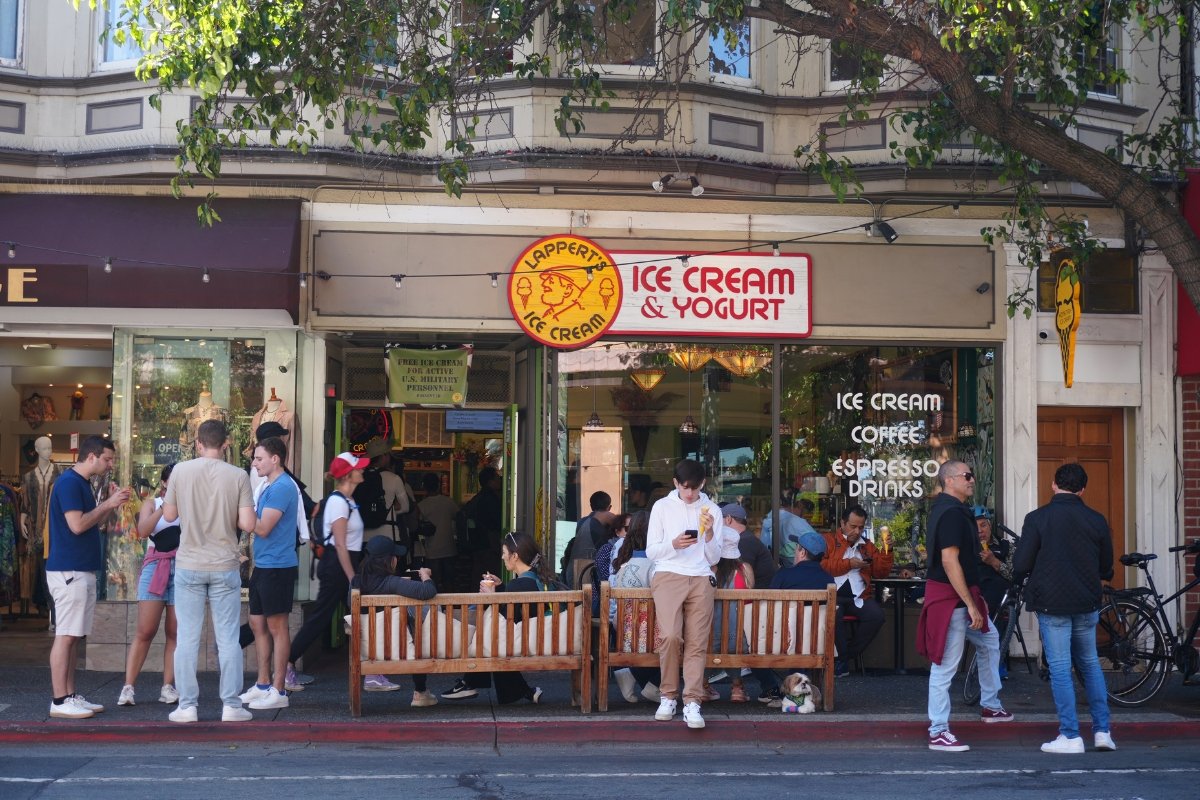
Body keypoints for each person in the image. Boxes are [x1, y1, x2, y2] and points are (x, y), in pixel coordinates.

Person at [1013, 463, 1116, 754]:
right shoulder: (1096, 519)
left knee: (1060, 669)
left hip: (1052, 602)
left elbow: (1021, 564)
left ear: (1054, 485)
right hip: (1086, 601)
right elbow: (1106, 565)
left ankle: (1070, 735)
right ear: (1083, 489)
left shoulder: (1037, 518)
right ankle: (1102, 731)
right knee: (1091, 664)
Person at [163, 419, 256, 723]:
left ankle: (188, 706)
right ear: (226, 443)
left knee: (187, 638)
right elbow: (248, 525)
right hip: (224, 564)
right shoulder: (239, 475)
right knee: (228, 638)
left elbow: (169, 514)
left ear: (198, 443)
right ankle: (231, 705)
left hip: (189, 562)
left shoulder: (180, 471)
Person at [917, 460, 1012, 752]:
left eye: (972, 475)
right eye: (967, 476)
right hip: (953, 601)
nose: (972, 480)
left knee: (990, 641)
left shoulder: (955, 511)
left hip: (963, 598)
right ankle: (938, 730)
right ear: (949, 481)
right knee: (945, 666)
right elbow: (949, 561)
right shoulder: (950, 514)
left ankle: (990, 705)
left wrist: (972, 601)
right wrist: (970, 604)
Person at [45, 435, 131, 719]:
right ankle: (59, 699)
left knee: (73, 636)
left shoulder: (79, 483)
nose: (109, 465)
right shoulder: (70, 483)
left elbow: (92, 524)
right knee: (66, 636)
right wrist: (107, 504)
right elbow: (78, 525)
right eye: (107, 459)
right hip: (70, 570)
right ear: (91, 456)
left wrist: (109, 503)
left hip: (78, 568)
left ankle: (68, 695)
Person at [646, 458, 724, 730]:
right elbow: (651, 551)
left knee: (697, 642)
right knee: (669, 636)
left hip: (701, 576)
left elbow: (714, 556)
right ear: (676, 483)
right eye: (684, 487)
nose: (689, 493)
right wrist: (674, 544)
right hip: (668, 574)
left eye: (694, 487)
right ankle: (668, 694)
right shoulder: (662, 507)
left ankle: (692, 701)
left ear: (703, 484)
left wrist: (711, 531)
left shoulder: (712, 509)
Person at [285, 452, 370, 691]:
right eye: (358, 468)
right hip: (337, 565)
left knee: (358, 616)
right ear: (348, 475)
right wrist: (352, 576)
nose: (362, 471)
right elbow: (341, 544)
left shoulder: (348, 500)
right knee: (323, 617)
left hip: (342, 564)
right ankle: (287, 664)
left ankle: (375, 671)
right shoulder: (338, 503)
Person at [440, 531, 545, 704]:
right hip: (531, 634)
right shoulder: (531, 581)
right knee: (491, 640)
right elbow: (517, 608)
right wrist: (501, 588)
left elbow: (504, 618)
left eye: (505, 553)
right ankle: (522, 691)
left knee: (489, 639)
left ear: (515, 556)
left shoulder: (518, 585)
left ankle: (469, 683)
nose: (503, 557)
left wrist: (491, 597)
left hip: (523, 639)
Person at [238, 437, 300, 711]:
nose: (254, 463)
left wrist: (240, 510)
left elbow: (262, 528)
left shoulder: (284, 487)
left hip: (278, 566)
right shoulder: (267, 486)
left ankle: (279, 688)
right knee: (256, 623)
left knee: (277, 627)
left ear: (275, 458)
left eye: (259, 458)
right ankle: (263, 683)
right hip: (263, 565)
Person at [118, 463, 180, 708]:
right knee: (145, 631)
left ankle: (168, 686)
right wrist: (164, 507)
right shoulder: (152, 503)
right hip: (156, 567)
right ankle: (128, 687)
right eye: (173, 480)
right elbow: (142, 531)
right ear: (164, 482)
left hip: (182, 568)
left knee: (175, 633)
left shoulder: (190, 504)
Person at [352, 535, 439, 708]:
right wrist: (425, 576)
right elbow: (428, 591)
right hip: (397, 649)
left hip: (366, 650)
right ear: (388, 560)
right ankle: (420, 691)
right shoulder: (391, 583)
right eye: (395, 556)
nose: (397, 559)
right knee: (417, 626)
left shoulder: (356, 582)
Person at [764, 531, 835, 705]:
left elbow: (769, 610)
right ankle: (808, 693)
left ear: (802, 553)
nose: (795, 552)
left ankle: (774, 689)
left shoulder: (784, 575)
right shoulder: (828, 579)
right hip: (817, 643)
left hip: (782, 641)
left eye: (796, 549)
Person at [822, 505, 893, 677]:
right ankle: (842, 660)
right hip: (833, 595)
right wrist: (849, 564)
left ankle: (844, 658)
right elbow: (822, 567)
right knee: (834, 614)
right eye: (852, 526)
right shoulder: (828, 540)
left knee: (876, 616)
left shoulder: (867, 546)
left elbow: (881, 573)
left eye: (861, 527)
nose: (857, 531)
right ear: (842, 523)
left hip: (859, 596)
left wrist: (887, 551)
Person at [609, 510, 661, 704]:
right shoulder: (656, 566)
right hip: (649, 636)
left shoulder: (625, 564)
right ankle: (653, 685)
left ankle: (632, 674)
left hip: (625, 633)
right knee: (683, 640)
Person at [19, 435, 60, 620]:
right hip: (37, 531)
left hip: (55, 530)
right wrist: (22, 520)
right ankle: (48, 609)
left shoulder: (59, 473)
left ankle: (56, 611)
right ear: (36, 450)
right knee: (42, 571)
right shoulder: (28, 477)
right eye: (44, 448)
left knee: (56, 571)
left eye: (50, 448)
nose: (48, 451)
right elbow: (25, 504)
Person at [416, 472, 458, 592]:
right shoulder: (449, 502)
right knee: (449, 583)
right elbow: (458, 516)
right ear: (439, 485)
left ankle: (435, 609)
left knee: (433, 583)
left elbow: (417, 525)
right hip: (449, 548)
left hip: (432, 551)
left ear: (424, 486)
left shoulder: (421, 505)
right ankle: (450, 608)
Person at [724, 502, 775, 588]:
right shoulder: (746, 538)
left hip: (757, 598)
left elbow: (742, 580)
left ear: (728, 519)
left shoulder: (745, 541)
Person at [974, 506, 1013, 617]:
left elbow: (1014, 576)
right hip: (974, 599)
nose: (979, 531)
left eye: (983, 525)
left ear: (990, 525)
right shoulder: (965, 548)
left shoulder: (1005, 545)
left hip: (999, 602)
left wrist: (994, 561)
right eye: (974, 527)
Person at [761, 490, 818, 566]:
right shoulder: (797, 522)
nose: (806, 515)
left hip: (771, 563)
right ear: (800, 505)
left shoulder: (771, 516)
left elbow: (764, 543)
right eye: (806, 512)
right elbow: (817, 543)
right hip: (793, 565)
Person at [591, 512, 629, 615]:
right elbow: (606, 578)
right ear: (617, 532)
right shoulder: (607, 549)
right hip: (603, 600)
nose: (632, 532)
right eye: (627, 528)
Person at [471, 466, 504, 578]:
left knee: (479, 574)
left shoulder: (478, 497)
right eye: (497, 478)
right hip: (490, 543)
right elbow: (496, 522)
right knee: (491, 575)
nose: (500, 480)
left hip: (478, 542)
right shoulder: (491, 499)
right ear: (490, 481)